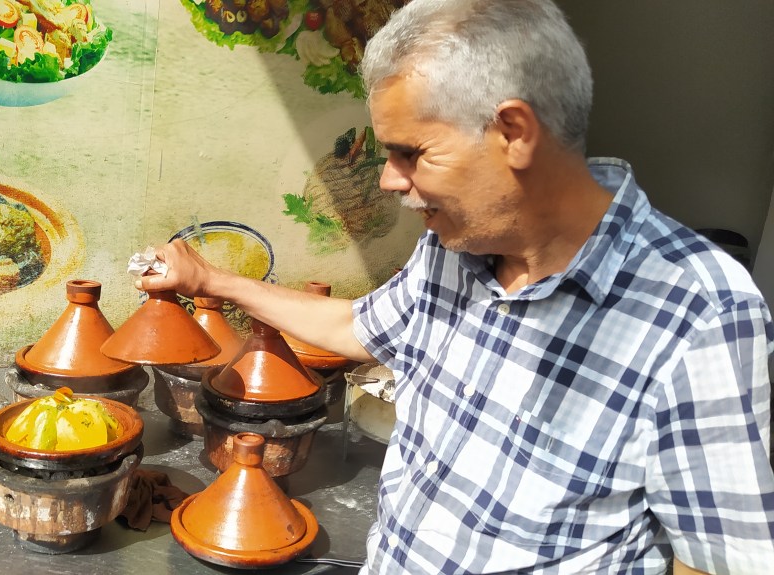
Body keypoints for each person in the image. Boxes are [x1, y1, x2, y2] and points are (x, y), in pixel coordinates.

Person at [137, 0, 774, 572]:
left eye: (410, 153)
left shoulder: (700, 311)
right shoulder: (456, 247)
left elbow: (717, 559)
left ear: (513, 132)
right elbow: (354, 327)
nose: (390, 180)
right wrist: (210, 279)